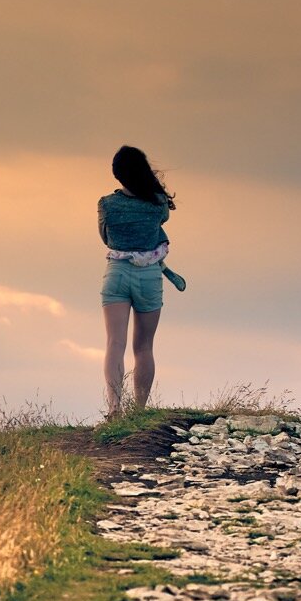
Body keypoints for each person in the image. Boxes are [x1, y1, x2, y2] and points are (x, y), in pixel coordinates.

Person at [98, 144, 183, 411]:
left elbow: (106, 239)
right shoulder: (157, 203)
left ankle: (114, 408)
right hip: (149, 275)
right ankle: (139, 410)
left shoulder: (106, 204)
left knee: (114, 343)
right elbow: (164, 217)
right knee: (144, 346)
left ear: (117, 174)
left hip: (117, 274)